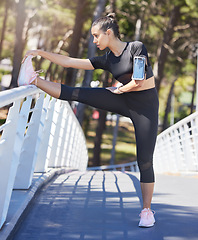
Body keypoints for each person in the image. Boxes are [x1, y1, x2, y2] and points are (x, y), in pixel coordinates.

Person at [21, 13, 159, 228]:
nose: (94, 41)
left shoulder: (136, 47)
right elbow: (68, 62)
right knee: (77, 93)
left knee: (145, 160)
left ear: (109, 33)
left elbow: (139, 80)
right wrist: (40, 53)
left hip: (145, 108)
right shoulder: (107, 60)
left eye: (96, 36)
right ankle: (33, 79)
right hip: (121, 97)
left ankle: (147, 211)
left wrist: (119, 89)